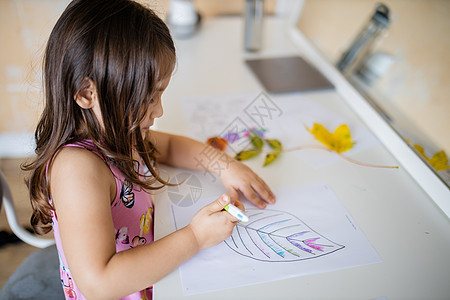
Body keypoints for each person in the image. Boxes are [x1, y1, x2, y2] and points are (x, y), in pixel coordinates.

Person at [22, 0, 275, 299]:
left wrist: (224, 165)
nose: (159, 111)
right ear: (87, 93)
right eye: (148, 98)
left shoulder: (118, 133)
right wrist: (194, 237)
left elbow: (167, 146)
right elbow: (99, 282)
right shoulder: (77, 170)